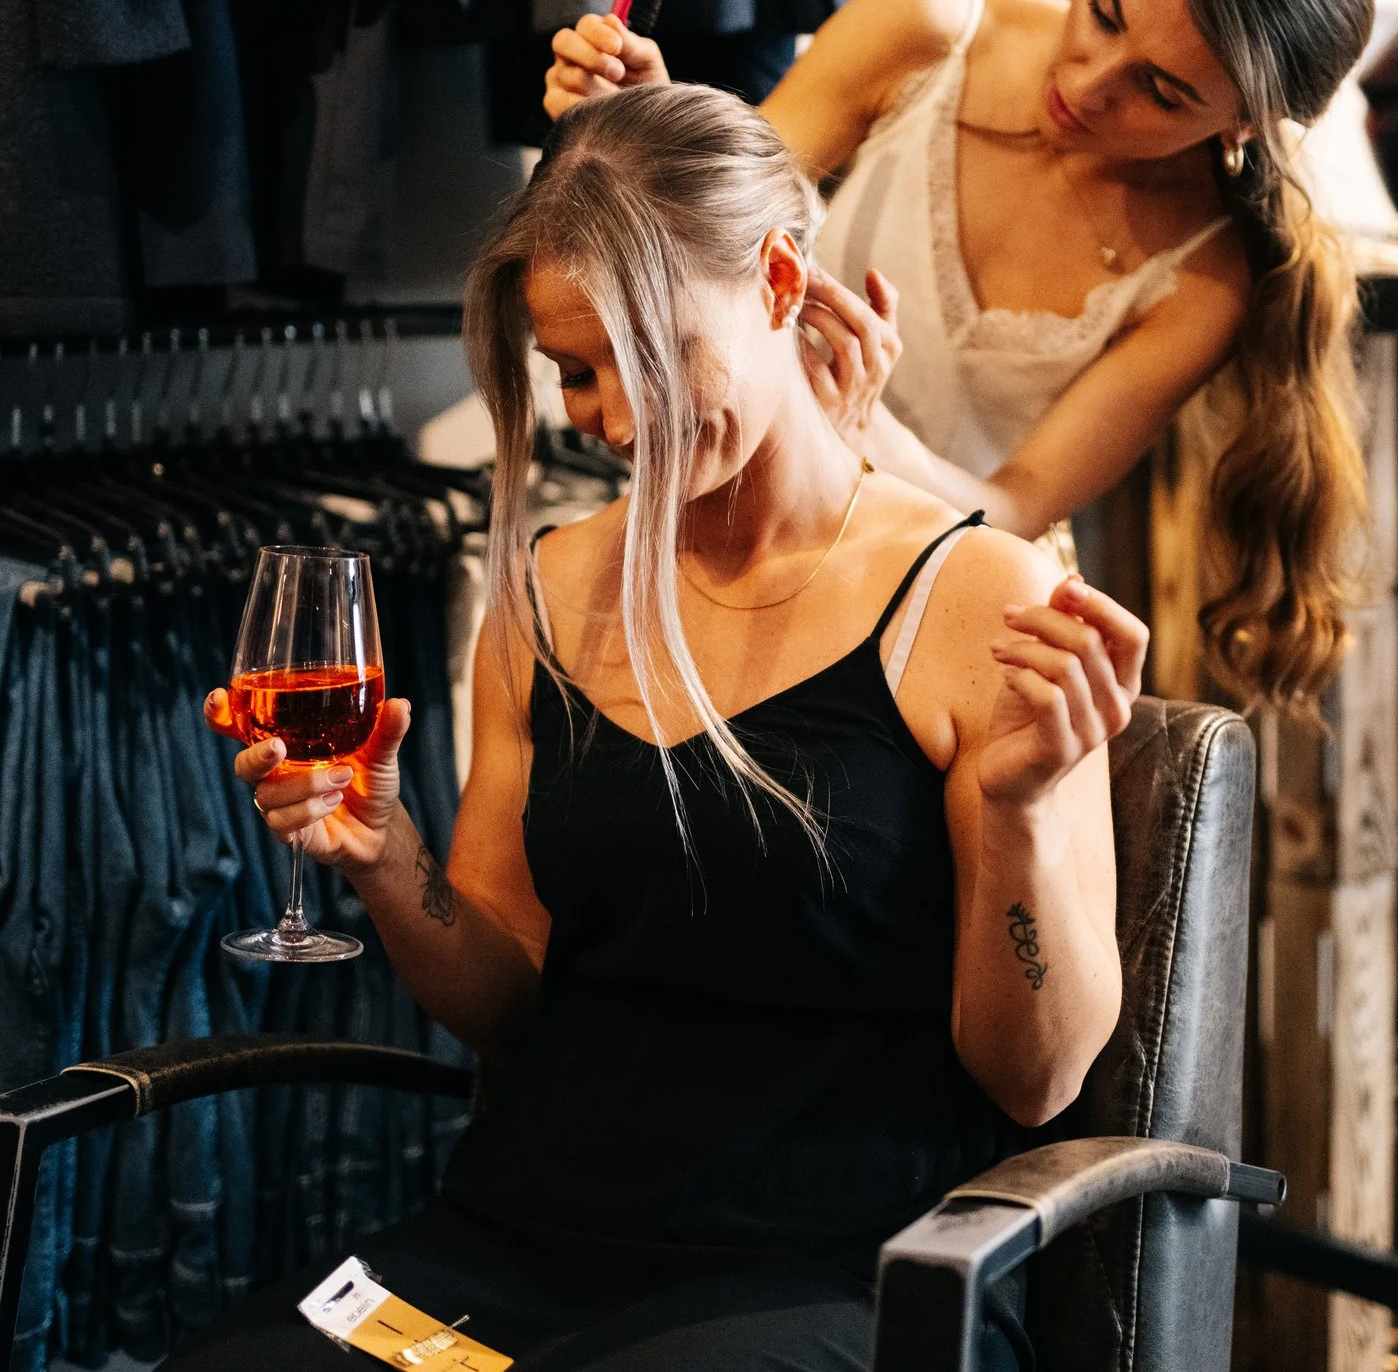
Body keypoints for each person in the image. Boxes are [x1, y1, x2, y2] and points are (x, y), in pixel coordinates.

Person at [165, 83, 1150, 1371]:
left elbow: (1040, 1079)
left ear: (780, 282)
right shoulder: (544, 594)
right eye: (575, 372)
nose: (615, 420)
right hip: (514, 1245)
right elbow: (508, 1003)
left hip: (838, 1274)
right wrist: (384, 853)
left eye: (648, 356)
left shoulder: (979, 600)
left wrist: (1019, 812)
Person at [546, 0, 1376, 709]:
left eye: (1161, 91)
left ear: (1245, 125)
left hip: (935, 599)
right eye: (1103, 11)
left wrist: (862, 426)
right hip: (713, 520)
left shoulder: (1205, 278)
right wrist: (646, 133)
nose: (1089, 84)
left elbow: (1013, 506)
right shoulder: (928, 23)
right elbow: (720, 238)